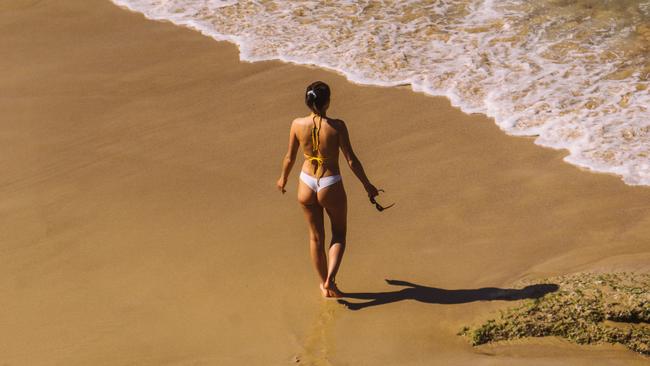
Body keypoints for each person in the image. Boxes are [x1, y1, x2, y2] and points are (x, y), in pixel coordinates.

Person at [276, 81, 379, 298]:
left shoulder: (297, 124)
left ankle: (324, 285)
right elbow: (351, 160)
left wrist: (283, 179)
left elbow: (289, 157)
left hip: (305, 182)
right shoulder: (338, 126)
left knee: (315, 238)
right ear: (328, 102)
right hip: (329, 183)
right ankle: (331, 279)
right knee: (339, 233)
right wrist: (368, 186)